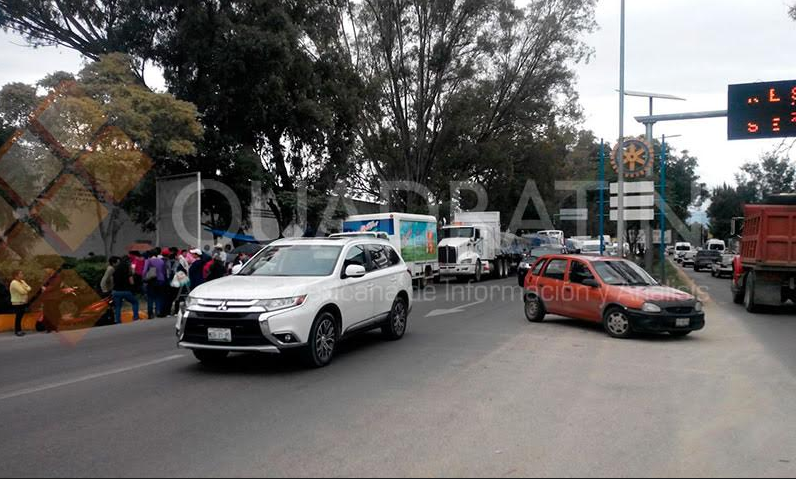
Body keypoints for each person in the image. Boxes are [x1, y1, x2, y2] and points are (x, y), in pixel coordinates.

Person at [112, 257, 139, 324]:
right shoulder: (127, 270)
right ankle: (135, 317)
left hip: (116, 291)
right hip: (126, 291)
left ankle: (118, 321)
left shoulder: (115, 270)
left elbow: (113, 281)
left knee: (118, 306)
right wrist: (134, 288)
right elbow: (131, 281)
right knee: (135, 302)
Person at [143, 249, 167, 318]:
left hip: (152, 280)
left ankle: (150, 314)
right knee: (158, 297)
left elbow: (144, 271)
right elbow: (163, 271)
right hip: (160, 280)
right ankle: (158, 311)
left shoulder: (148, 261)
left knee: (150, 297)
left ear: (150, 255)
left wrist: (144, 278)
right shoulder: (161, 261)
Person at [9, 270, 31, 337]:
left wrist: (26, 289)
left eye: (22, 273)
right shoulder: (14, 283)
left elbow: (30, 288)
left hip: (23, 302)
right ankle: (17, 331)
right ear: (16, 276)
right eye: (21, 274)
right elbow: (22, 292)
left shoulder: (22, 281)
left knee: (20, 317)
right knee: (18, 317)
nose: (22, 275)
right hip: (17, 303)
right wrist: (26, 289)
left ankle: (19, 330)